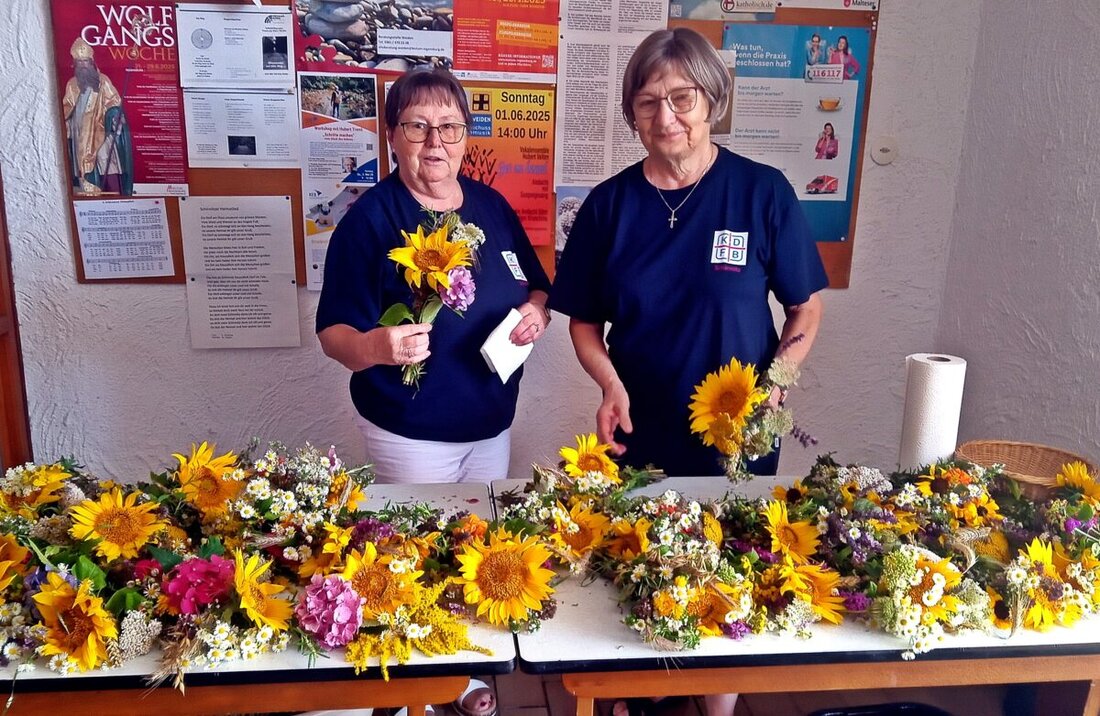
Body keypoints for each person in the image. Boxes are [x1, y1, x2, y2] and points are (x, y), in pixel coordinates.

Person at [552, 29, 826, 712]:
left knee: (725, 572)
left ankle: (715, 705)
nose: (666, 116)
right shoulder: (609, 206)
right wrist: (609, 385)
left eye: (682, 98)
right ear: (632, 113)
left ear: (712, 101)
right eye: (648, 103)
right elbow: (583, 321)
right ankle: (625, 695)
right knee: (633, 561)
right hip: (636, 427)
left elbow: (805, 308)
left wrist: (774, 391)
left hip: (737, 435)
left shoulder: (762, 193)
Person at [62, 38, 134, 195]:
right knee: (80, 163)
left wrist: (115, 115)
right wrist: (65, 124)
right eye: (79, 62)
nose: (83, 65)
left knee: (105, 161)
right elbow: (66, 108)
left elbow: (114, 102)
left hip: (100, 129)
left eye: (86, 61)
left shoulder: (103, 81)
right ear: (75, 64)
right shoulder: (72, 84)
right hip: (79, 131)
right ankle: (86, 188)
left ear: (92, 62)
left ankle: (110, 192)